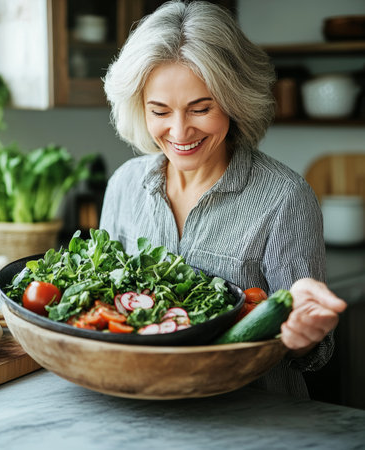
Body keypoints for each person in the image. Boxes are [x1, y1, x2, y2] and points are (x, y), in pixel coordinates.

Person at [99, 0, 347, 398]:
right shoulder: (124, 186)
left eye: (201, 108)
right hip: (143, 406)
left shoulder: (285, 198)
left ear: (234, 100)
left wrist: (305, 334)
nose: (179, 131)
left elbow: (313, 355)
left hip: (255, 418)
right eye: (159, 111)